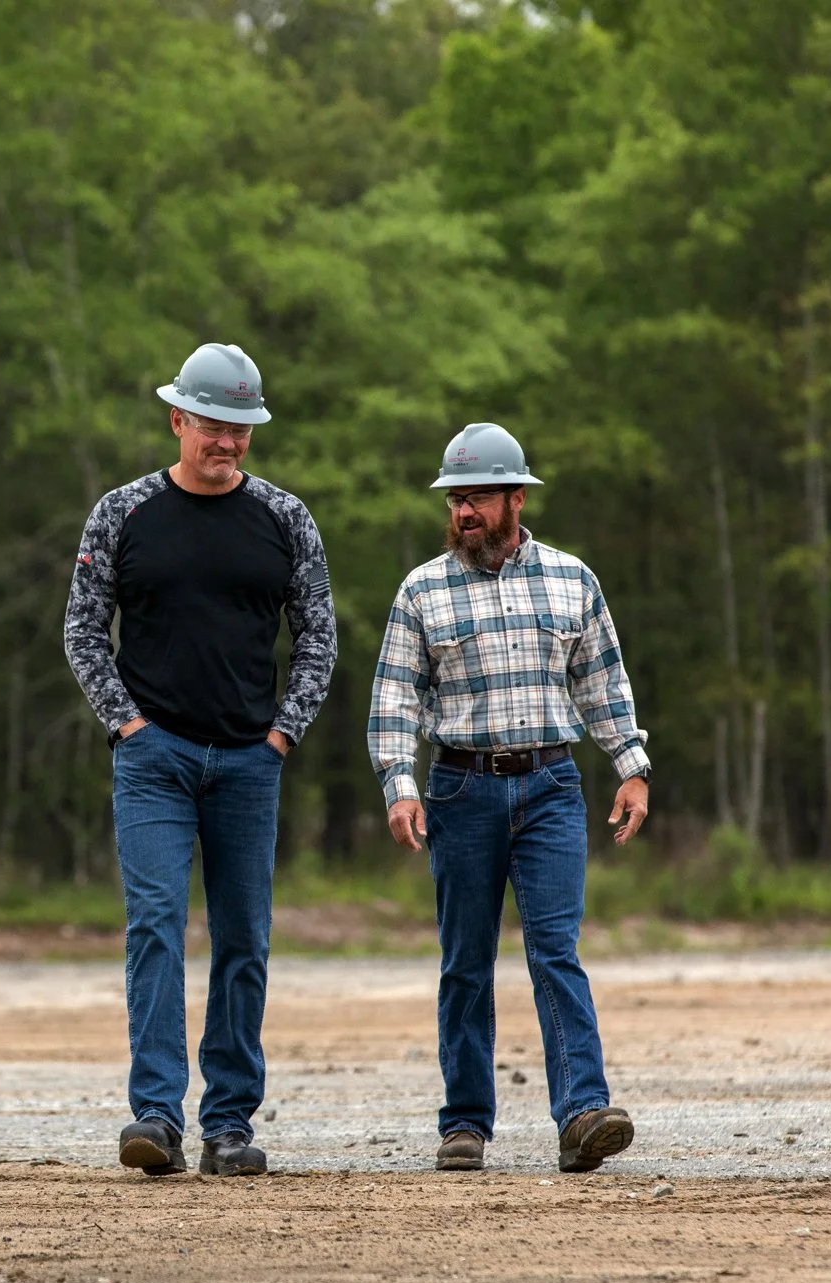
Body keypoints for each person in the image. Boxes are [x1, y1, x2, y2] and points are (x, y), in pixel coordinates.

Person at [65, 342, 337, 1177]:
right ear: (178, 418)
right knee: (154, 927)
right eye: (214, 424)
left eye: (242, 428)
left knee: (243, 937)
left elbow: (318, 635)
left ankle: (228, 1122)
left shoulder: (286, 518)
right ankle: (155, 1114)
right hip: (155, 757)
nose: (227, 441)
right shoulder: (122, 514)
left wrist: (284, 731)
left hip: (250, 761)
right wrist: (128, 726)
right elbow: (83, 630)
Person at [367, 423, 650, 1174]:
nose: (463, 511)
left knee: (555, 949)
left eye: (478, 497)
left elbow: (603, 682)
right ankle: (464, 1122)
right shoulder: (421, 589)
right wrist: (399, 784)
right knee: (465, 960)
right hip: (460, 787)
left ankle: (583, 1112)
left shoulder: (572, 580)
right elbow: (394, 698)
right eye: (456, 498)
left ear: (515, 498)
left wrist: (631, 765)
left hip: (552, 783)